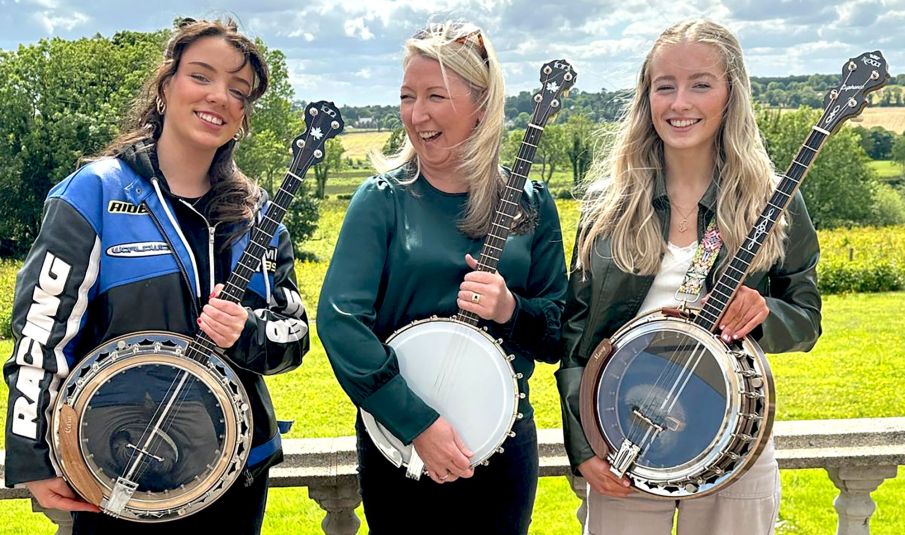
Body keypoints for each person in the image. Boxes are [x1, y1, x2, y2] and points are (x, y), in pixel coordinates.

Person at [3, 18, 309, 534]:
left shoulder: (259, 214)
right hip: (116, 468)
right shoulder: (93, 193)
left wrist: (248, 332)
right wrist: (32, 455)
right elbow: (40, 333)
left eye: (239, 90)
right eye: (202, 76)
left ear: (244, 116)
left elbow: (294, 334)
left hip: (236, 478)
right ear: (166, 86)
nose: (219, 97)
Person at [556, 19, 821, 535]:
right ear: (646, 96)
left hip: (733, 442)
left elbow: (807, 316)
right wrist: (584, 443)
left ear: (731, 94)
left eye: (701, 84)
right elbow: (575, 336)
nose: (680, 103)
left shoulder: (773, 199)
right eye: (665, 86)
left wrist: (764, 313)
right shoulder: (607, 206)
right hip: (624, 437)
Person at [317, 21, 568, 534]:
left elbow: (561, 327)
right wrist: (417, 423)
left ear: (482, 102)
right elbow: (340, 322)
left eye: (436, 95)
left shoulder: (530, 204)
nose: (417, 114)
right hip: (401, 442)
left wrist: (510, 310)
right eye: (408, 96)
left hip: (503, 443)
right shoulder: (382, 200)